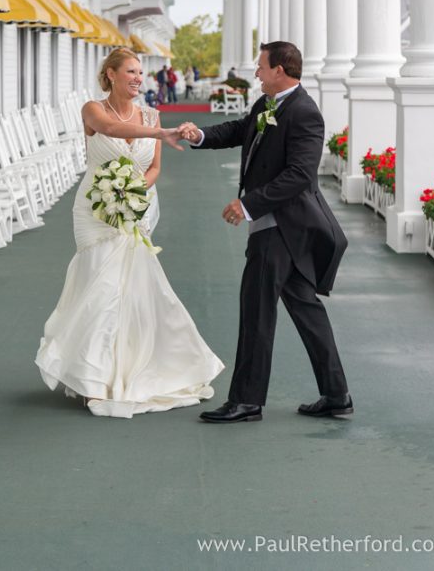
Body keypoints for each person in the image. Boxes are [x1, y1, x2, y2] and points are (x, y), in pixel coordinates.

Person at [36, 47, 223, 418]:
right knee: (98, 283)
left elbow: (153, 167)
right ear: (110, 75)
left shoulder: (152, 113)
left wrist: (134, 192)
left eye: (140, 73)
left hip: (134, 208)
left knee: (128, 288)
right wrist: (159, 130)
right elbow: (111, 130)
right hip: (93, 210)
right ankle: (92, 375)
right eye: (131, 72)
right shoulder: (93, 109)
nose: (138, 78)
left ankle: (114, 370)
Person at [177, 41, 351, 424]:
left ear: (280, 70)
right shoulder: (266, 105)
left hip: (283, 227)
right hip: (277, 227)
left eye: (261, 66)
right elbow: (239, 130)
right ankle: (336, 394)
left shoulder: (305, 112)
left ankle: (246, 401)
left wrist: (248, 203)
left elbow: (299, 176)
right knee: (306, 310)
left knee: (256, 311)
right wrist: (198, 136)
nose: (255, 72)